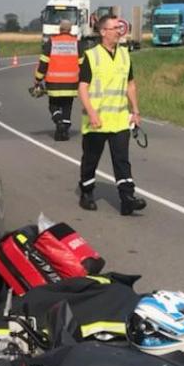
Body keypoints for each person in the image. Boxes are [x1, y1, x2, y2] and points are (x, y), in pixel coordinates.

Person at [77, 14, 147, 215]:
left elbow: (130, 85)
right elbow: (82, 88)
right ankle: (87, 193)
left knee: (122, 160)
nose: (119, 31)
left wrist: (135, 111)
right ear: (103, 32)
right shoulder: (91, 56)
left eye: (120, 27)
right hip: (96, 121)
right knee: (91, 159)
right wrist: (91, 113)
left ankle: (127, 198)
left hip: (118, 120)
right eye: (115, 27)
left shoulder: (125, 55)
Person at [33, 19, 81, 140]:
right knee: (67, 106)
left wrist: (38, 78)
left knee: (53, 105)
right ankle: (64, 131)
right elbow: (82, 64)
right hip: (71, 82)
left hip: (54, 82)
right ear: (70, 30)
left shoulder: (52, 42)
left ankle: (59, 121)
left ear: (60, 29)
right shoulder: (76, 43)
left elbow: (43, 62)